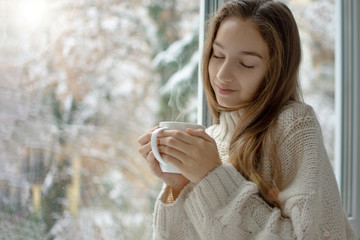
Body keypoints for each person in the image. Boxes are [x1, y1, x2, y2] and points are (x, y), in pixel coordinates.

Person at [137, 0, 356, 239]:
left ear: (275, 71)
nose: (222, 75)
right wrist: (177, 188)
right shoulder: (210, 139)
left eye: (246, 63)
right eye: (217, 55)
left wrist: (211, 177)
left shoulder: (294, 125)